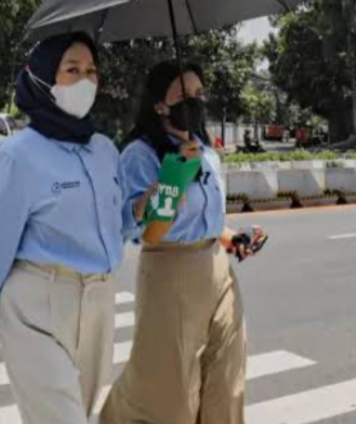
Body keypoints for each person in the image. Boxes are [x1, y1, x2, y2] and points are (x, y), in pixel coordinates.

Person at [0, 33, 150, 424]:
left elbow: (114, 227)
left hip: (99, 303)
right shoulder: (18, 156)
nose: (85, 81)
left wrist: (140, 208)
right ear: (41, 80)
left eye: (91, 71)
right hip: (38, 306)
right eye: (71, 70)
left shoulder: (104, 150)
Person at [100, 61, 268, 424]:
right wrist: (173, 177)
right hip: (169, 275)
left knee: (227, 382)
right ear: (160, 105)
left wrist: (231, 238)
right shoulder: (140, 155)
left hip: (218, 272)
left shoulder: (206, 151)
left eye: (198, 94)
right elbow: (151, 233)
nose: (193, 102)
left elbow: (205, 222)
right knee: (169, 395)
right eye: (183, 96)